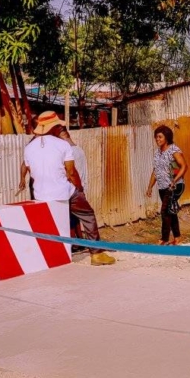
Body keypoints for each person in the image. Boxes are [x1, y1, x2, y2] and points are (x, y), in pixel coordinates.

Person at [21, 111, 115, 266]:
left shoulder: (29, 148)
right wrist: (79, 188)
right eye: (58, 125)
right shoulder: (62, 144)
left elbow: (32, 172)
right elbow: (71, 172)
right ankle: (96, 254)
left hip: (40, 195)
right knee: (88, 215)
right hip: (64, 192)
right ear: (53, 127)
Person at [145, 125, 187, 246]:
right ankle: (177, 238)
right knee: (170, 211)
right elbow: (156, 171)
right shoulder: (157, 153)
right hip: (162, 187)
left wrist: (175, 180)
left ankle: (164, 239)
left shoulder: (174, 150)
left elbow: (184, 166)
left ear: (167, 137)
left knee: (165, 211)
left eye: (160, 137)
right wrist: (150, 187)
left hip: (175, 186)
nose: (157, 139)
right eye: (156, 137)